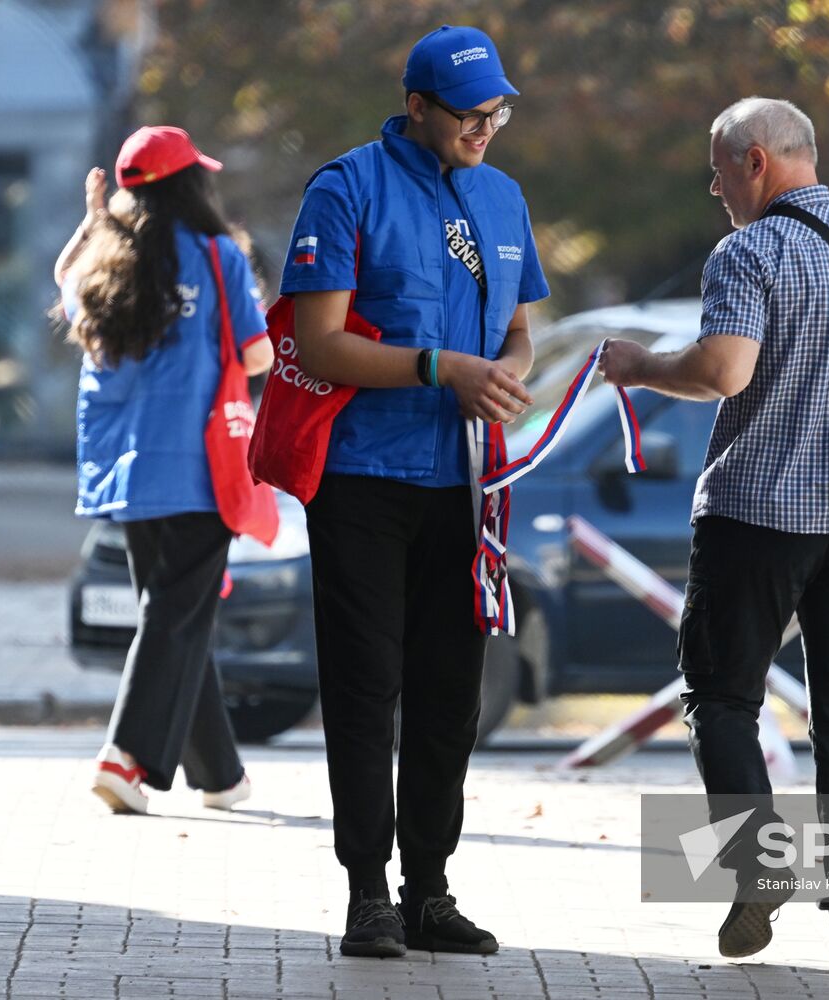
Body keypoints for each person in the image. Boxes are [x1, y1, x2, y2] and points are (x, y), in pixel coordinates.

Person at [599, 97, 829, 968]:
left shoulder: (749, 252)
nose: (714, 188)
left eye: (718, 170)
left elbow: (721, 370)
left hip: (758, 514)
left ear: (755, 162)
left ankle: (755, 867)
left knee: (720, 696)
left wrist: (637, 367)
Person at [277, 25, 548, 958]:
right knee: (366, 689)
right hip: (363, 478)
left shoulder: (505, 197)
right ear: (418, 108)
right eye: (470, 114)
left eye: (498, 111)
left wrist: (506, 370)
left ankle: (430, 890)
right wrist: (441, 367)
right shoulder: (345, 187)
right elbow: (318, 344)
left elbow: (520, 332)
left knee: (449, 694)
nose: (487, 127)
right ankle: (367, 894)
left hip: (467, 483)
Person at [54, 126, 275, 817]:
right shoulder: (216, 258)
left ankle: (221, 776)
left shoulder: (103, 262)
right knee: (174, 614)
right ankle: (124, 757)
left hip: (128, 470)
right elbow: (259, 356)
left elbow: (64, 287)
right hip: (202, 467)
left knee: (179, 615)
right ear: (189, 185)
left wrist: (94, 222)